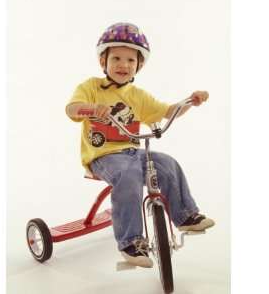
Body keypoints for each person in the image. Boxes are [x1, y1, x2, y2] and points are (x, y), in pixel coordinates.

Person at [66, 22, 215, 268]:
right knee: (129, 173)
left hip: (133, 152)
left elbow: (168, 111)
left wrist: (190, 101)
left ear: (139, 65)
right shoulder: (91, 87)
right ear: (103, 62)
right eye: (116, 58)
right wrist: (91, 108)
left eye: (130, 60)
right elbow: (71, 109)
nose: (123, 65)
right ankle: (131, 242)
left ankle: (185, 215)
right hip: (103, 156)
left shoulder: (138, 96)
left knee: (167, 163)